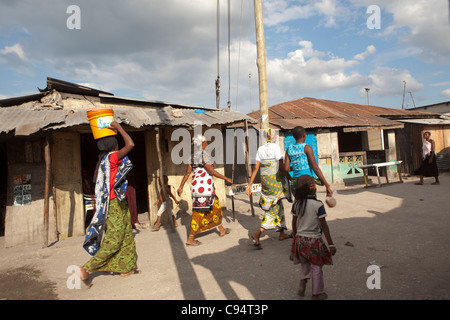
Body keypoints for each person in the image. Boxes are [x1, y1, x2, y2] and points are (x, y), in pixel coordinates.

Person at [79, 121, 140, 287]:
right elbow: (131, 144)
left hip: (120, 202)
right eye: (116, 142)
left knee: (127, 233)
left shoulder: (103, 160)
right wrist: (119, 128)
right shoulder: (111, 158)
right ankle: (87, 268)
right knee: (114, 239)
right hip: (113, 205)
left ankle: (127, 267)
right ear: (113, 145)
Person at [177, 134, 232, 246]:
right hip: (204, 188)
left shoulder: (191, 155)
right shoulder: (203, 155)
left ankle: (221, 229)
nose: (207, 143)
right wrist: (226, 178)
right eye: (206, 141)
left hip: (197, 186)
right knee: (199, 212)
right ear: (201, 143)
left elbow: (188, 172)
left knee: (215, 205)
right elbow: (211, 171)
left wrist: (181, 186)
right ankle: (191, 238)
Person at [291, 175, 336, 300]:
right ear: (312, 188)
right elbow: (324, 226)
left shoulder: (297, 205)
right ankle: (316, 293)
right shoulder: (318, 205)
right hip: (313, 241)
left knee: (304, 262)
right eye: (314, 185)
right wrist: (331, 244)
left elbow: (294, 223)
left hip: (300, 240)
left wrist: (295, 237)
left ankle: (303, 282)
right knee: (317, 266)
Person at [246, 128, 292, 249]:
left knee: (278, 204)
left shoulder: (260, 149)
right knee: (274, 208)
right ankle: (257, 234)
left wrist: (250, 185)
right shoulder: (276, 148)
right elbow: (281, 168)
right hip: (275, 180)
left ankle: (282, 233)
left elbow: (256, 168)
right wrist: (290, 177)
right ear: (274, 137)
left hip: (265, 180)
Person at [283, 126, 333, 198]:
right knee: (310, 203)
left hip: (296, 182)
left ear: (293, 136)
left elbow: (286, 169)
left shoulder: (289, 149)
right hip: (307, 182)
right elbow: (315, 168)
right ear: (304, 135)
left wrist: (297, 168)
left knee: (299, 204)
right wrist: (327, 186)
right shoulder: (307, 148)